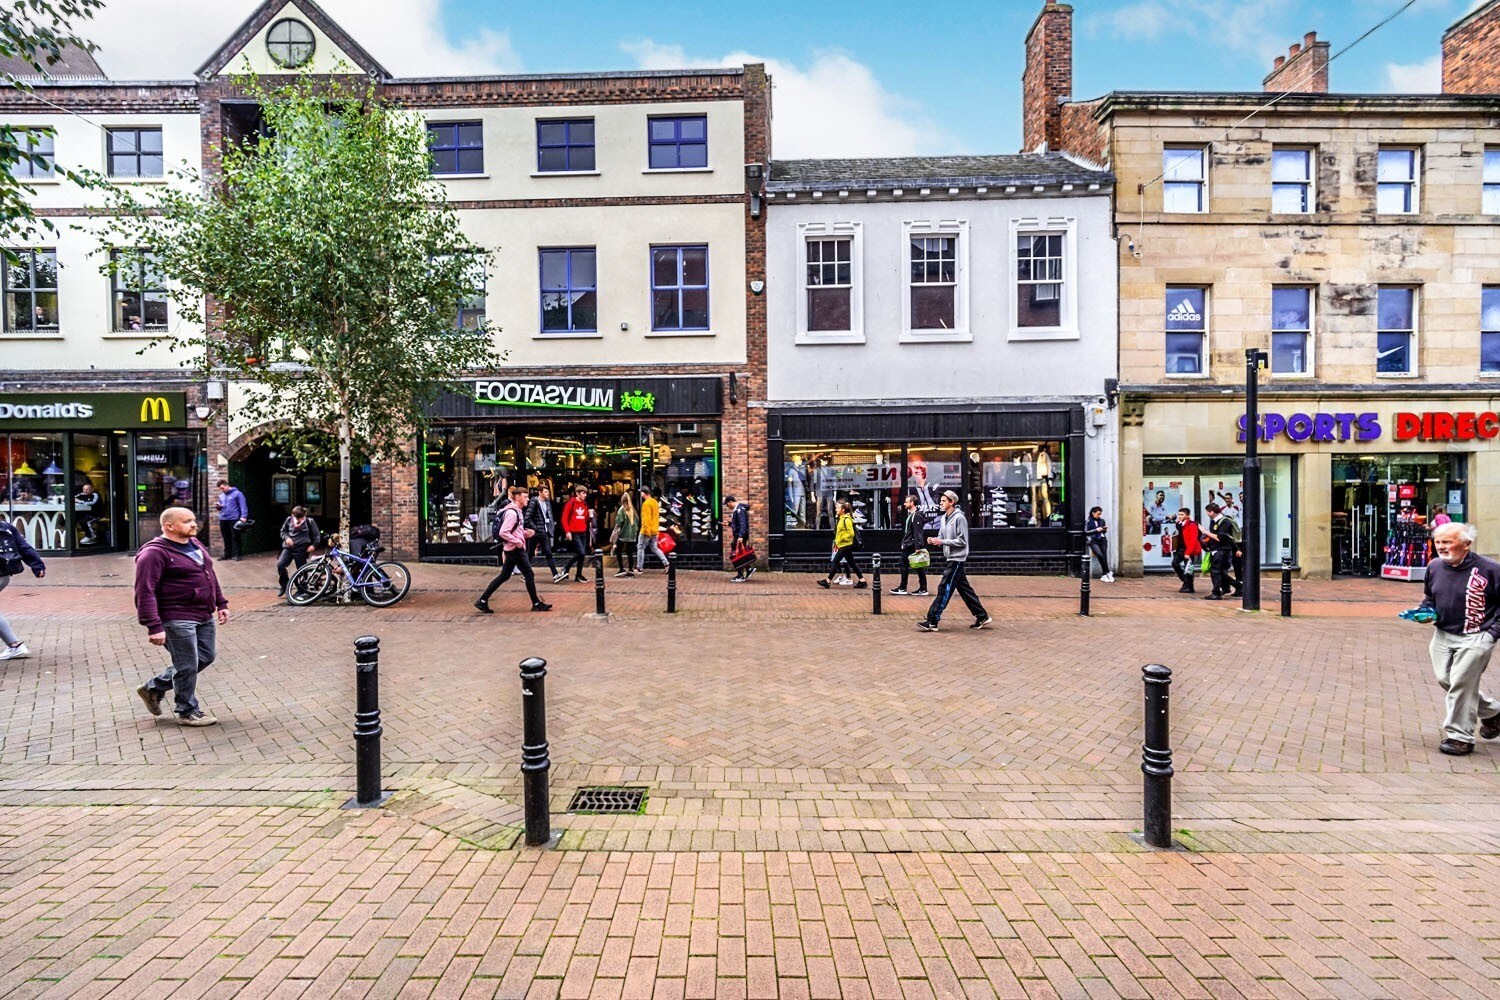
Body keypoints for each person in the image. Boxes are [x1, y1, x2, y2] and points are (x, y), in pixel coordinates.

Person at [132, 506, 229, 727]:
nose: (194, 524)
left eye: (194, 519)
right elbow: (144, 591)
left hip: (203, 613)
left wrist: (220, 602)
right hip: (176, 615)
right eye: (187, 521)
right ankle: (187, 710)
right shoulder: (153, 553)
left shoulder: (194, 544)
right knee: (186, 664)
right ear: (169, 526)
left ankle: (153, 688)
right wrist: (153, 626)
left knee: (205, 656)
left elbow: (209, 574)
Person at [1410, 522, 1500, 755]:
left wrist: (1492, 633)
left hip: (1476, 635)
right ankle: (1493, 713)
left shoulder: (1491, 569)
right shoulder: (1434, 566)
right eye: (1438, 542)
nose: (1441, 546)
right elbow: (1430, 598)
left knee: (1461, 682)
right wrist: (1425, 613)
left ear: (1467, 544)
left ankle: (1460, 737)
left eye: (1448, 542)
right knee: (1446, 679)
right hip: (1443, 634)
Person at [917, 490, 991, 632]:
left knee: (944, 588)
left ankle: (932, 620)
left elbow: (962, 541)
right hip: (950, 556)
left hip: (957, 558)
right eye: (941, 500)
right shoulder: (944, 518)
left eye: (944, 500)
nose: (940, 502)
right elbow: (942, 536)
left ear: (952, 502)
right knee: (964, 590)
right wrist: (935, 540)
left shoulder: (959, 518)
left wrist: (942, 541)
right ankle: (982, 616)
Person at [475, 486, 552, 614]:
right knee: (529, 575)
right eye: (525, 496)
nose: (528, 499)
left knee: (504, 576)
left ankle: (482, 600)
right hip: (516, 549)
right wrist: (518, 541)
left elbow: (514, 530)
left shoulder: (517, 511)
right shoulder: (512, 513)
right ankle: (536, 604)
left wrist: (526, 533)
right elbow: (504, 532)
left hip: (512, 549)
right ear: (517, 497)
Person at [0, 515, 46, 661]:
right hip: (3, 576)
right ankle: (15, 646)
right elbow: (23, 546)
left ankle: (15, 646)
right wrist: (37, 565)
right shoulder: (5, 526)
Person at [817, 499, 867, 589]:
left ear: (843, 509)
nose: (836, 509)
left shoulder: (847, 519)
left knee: (835, 561)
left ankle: (828, 581)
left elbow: (851, 533)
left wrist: (841, 539)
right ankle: (862, 580)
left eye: (837, 507)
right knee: (852, 563)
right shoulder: (841, 518)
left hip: (846, 545)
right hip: (843, 544)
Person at [275, 505, 322, 597]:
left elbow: (316, 535)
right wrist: (287, 538)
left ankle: (301, 589)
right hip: (288, 548)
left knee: (301, 570)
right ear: (292, 515)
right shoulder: (288, 520)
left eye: (301, 518)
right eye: (297, 518)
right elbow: (283, 531)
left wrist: (313, 545)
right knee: (280, 565)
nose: (299, 520)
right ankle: (284, 585)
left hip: (302, 549)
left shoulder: (310, 522)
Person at [1199, 502, 1239, 601]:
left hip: (1222, 550)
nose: (1207, 514)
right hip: (1217, 550)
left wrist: (1205, 532)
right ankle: (1237, 587)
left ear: (1211, 512)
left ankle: (1216, 592)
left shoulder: (1224, 522)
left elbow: (1220, 538)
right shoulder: (1215, 521)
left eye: (1208, 512)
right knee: (1221, 572)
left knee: (1216, 571)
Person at [891, 494, 928, 596]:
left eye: (906, 502)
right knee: (918, 566)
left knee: (905, 563)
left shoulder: (916, 516)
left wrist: (917, 547)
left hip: (912, 545)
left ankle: (903, 588)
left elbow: (918, 532)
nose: (904, 504)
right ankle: (922, 588)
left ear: (912, 503)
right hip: (910, 544)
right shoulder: (911, 515)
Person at [525, 486, 563, 582]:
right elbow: (527, 518)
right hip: (535, 533)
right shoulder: (534, 502)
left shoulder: (547, 502)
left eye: (548, 491)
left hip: (544, 532)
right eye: (546, 491)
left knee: (548, 553)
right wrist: (535, 528)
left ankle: (555, 574)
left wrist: (550, 527)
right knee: (530, 554)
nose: (548, 493)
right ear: (540, 492)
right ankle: (525, 573)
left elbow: (549, 516)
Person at [560, 485, 592, 582]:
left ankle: (578, 574)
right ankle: (566, 568)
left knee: (581, 554)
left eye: (586, 493)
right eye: (583, 493)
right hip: (574, 532)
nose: (585, 495)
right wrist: (567, 531)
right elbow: (564, 518)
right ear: (577, 493)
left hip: (583, 531)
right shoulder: (571, 503)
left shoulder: (584, 504)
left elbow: (585, 518)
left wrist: (590, 516)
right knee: (581, 553)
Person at [1170, 508, 1204, 594]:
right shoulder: (1179, 524)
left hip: (1189, 549)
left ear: (1187, 516)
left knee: (1189, 568)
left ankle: (1189, 586)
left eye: (1182, 515)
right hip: (1180, 549)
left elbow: (1193, 540)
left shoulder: (1192, 525)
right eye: (1179, 514)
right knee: (1175, 563)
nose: (1180, 516)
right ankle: (1186, 582)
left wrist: (1188, 553)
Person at [637, 486, 669, 570]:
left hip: (647, 530)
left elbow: (646, 519)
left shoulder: (646, 504)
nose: (640, 494)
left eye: (641, 492)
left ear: (644, 493)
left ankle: (639, 567)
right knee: (654, 548)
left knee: (640, 547)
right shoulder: (655, 502)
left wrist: (646, 531)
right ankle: (666, 563)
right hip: (655, 529)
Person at [215, 481, 248, 561]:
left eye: (222, 488)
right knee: (226, 537)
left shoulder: (238, 494)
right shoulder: (221, 496)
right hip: (223, 518)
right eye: (220, 489)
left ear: (227, 485)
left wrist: (244, 516)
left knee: (235, 537)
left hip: (234, 518)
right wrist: (218, 507)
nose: (222, 490)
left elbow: (243, 505)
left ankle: (237, 554)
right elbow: (220, 507)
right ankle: (227, 554)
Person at [727, 494, 754, 581]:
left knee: (736, 554)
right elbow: (738, 524)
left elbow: (743, 524)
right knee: (740, 553)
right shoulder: (738, 509)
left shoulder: (739, 510)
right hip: (739, 534)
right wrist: (728, 524)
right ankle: (748, 569)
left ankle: (740, 575)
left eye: (727, 504)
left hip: (740, 535)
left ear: (730, 502)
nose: (728, 506)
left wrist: (741, 536)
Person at [613, 491, 640, 577]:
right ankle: (631, 569)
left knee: (618, 551)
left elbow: (619, 521)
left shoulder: (622, 510)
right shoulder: (633, 510)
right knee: (630, 552)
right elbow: (637, 521)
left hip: (623, 534)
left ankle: (621, 568)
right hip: (632, 535)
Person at [1085, 506, 1114, 583]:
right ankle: (1107, 572)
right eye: (1098, 514)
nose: (1099, 516)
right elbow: (1086, 532)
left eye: (1100, 514)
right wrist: (1096, 530)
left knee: (1104, 556)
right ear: (1093, 513)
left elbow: (1103, 532)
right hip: (1093, 540)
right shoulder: (1088, 521)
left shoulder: (1102, 521)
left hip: (1102, 539)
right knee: (1100, 555)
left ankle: (1104, 575)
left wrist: (1104, 529)